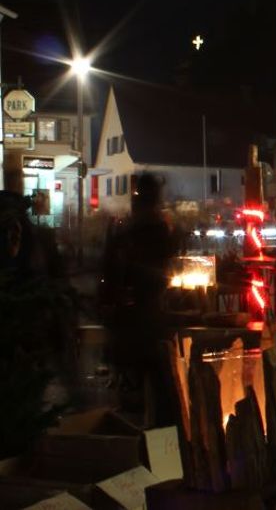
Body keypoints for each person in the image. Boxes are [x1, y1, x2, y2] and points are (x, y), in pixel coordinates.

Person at [103, 174, 178, 425]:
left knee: (139, 392)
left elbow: (110, 276)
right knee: (158, 391)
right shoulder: (157, 231)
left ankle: (139, 443)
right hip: (148, 320)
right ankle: (157, 446)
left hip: (134, 321)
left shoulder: (128, 234)